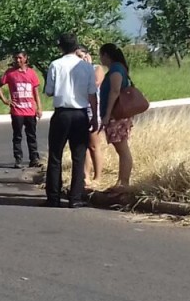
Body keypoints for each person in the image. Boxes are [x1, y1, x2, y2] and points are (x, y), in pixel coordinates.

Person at [43, 33, 98, 208]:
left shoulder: (55, 65)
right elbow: (92, 95)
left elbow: (49, 91)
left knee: (55, 156)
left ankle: (53, 197)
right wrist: (94, 118)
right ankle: (75, 197)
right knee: (79, 156)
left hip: (62, 113)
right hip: (80, 114)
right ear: (77, 47)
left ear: (61, 47)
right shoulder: (87, 67)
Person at [0, 51, 42, 168]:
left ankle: (34, 158)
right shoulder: (10, 73)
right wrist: (5, 100)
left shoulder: (31, 73)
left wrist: (39, 108)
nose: (18, 60)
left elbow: (36, 93)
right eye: (16, 58)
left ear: (25, 58)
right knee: (17, 136)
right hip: (17, 111)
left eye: (20, 58)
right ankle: (18, 159)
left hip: (30, 110)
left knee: (31, 135)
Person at [98, 43, 134, 193]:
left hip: (117, 115)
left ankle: (124, 182)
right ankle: (121, 181)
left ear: (106, 55)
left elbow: (115, 91)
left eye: (101, 55)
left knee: (123, 149)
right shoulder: (117, 68)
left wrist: (107, 114)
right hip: (116, 115)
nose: (100, 59)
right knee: (121, 148)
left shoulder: (116, 70)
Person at [76, 47, 106, 187]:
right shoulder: (76, 71)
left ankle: (98, 176)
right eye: (77, 56)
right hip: (80, 109)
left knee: (94, 145)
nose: (80, 59)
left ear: (88, 55)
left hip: (93, 110)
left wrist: (88, 66)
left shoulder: (96, 68)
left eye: (82, 55)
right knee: (83, 145)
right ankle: (85, 175)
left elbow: (95, 83)